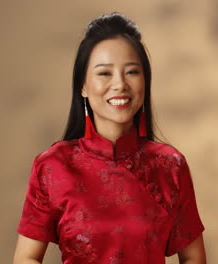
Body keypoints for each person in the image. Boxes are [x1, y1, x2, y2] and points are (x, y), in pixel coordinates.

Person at [13, 12, 206, 264]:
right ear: (83, 85)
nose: (120, 85)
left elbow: (193, 258)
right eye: (105, 73)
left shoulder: (170, 165)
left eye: (132, 72)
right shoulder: (52, 166)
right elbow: (26, 258)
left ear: (145, 82)